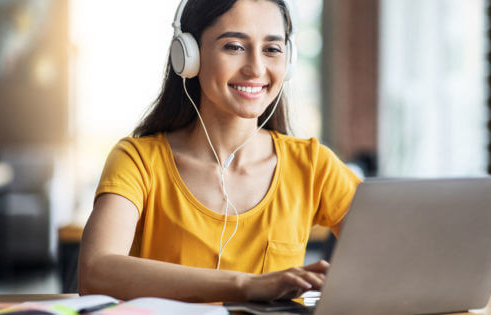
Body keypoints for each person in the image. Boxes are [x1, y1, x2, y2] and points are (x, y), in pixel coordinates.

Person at [78, 0, 361, 303]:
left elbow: (398, 257)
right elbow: (96, 272)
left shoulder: (313, 166)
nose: (256, 68)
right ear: (189, 55)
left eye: (272, 49)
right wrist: (245, 285)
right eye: (235, 47)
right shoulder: (138, 160)